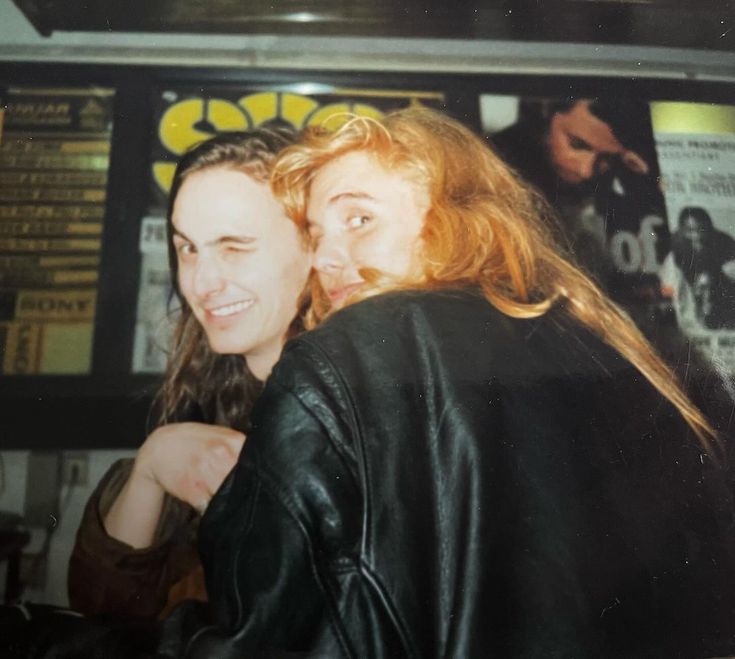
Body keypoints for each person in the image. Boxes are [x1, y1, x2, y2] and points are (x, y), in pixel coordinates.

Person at [178, 107, 735, 659]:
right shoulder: (615, 348)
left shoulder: (345, 358)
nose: (323, 257)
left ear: (458, 218)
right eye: (318, 234)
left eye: (359, 221)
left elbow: (255, 638)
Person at [68, 128, 311, 620]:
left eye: (235, 247)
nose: (201, 283)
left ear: (314, 249)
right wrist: (151, 468)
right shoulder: (211, 391)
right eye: (188, 248)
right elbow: (107, 611)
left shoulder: (359, 410)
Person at [671, 206, 735, 330]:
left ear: (711, 228)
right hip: (687, 285)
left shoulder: (724, 241)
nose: (697, 236)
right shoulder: (675, 244)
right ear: (681, 230)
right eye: (690, 230)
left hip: (718, 283)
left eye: (702, 230)